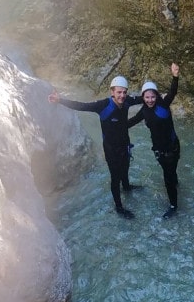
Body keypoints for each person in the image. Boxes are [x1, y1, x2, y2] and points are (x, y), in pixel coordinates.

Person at [48, 75, 142, 218]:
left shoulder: (128, 101)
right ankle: (119, 207)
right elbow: (82, 106)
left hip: (124, 145)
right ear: (112, 92)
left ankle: (127, 187)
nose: (122, 95)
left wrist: (158, 96)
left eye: (124, 92)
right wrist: (60, 100)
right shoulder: (103, 105)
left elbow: (144, 98)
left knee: (125, 168)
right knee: (115, 177)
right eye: (119, 92)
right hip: (111, 149)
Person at [128, 63, 181, 219]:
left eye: (152, 96)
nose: (150, 100)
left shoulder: (163, 104)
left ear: (156, 96)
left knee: (168, 177)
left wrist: (175, 76)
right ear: (143, 98)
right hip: (160, 151)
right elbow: (130, 122)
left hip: (173, 147)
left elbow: (173, 91)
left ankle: (173, 206)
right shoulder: (144, 111)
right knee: (170, 174)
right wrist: (114, 124)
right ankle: (175, 185)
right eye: (147, 97)